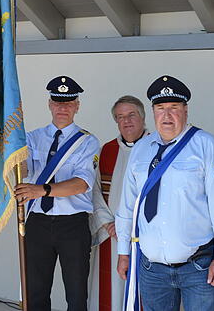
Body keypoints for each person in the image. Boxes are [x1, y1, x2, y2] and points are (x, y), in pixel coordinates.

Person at [116, 75, 214, 311]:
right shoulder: (141, 150)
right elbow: (127, 207)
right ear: (152, 112)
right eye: (161, 108)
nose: (167, 115)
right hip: (151, 268)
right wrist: (123, 252)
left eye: (174, 108)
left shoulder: (205, 145)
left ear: (185, 110)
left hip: (198, 267)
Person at [14, 76, 101, 311]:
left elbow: (82, 184)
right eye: (58, 102)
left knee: (76, 294)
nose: (63, 108)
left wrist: (41, 190)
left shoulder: (88, 142)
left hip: (72, 225)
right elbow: (24, 171)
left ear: (77, 106)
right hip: (38, 223)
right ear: (50, 104)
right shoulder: (30, 138)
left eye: (69, 102)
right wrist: (13, 154)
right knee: (35, 292)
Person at [88, 95, 148, 311]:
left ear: (142, 117)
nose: (126, 121)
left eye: (131, 115)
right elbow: (94, 192)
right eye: (120, 117)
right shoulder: (106, 151)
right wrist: (108, 224)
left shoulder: (157, 147)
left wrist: (130, 228)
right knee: (109, 294)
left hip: (145, 236)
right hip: (111, 236)